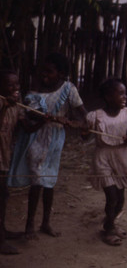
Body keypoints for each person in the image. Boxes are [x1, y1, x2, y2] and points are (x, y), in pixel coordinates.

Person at [8, 53, 87, 240]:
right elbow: (29, 115)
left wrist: (73, 123)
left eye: (49, 72)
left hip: (56, 139)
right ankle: (29, 226)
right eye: (42, 71)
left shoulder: (68, 89)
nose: (45, 75)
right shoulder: (35, 91)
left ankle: (45, 223)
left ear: (60, 73)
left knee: (50, 181)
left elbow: (83, 115)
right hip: (36, 137)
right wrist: (46, 118)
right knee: (37, 180)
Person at [83, 78, 127, 246]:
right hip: (103, 158)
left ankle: (110, 222)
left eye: (125, 93)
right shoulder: (95, 116)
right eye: (120, 93)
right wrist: (83, 130)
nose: (125, 96)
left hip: (122, 157)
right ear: (108, 96)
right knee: (111, 196)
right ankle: (108, 230)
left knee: (120, 198)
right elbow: (85, 136)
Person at [0, 70, 45, 254]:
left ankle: (1, 232)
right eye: (10, 85)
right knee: (1, 196)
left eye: (17, 84)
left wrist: (43, 121)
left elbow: (26, 128)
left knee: (3, 196)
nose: (15, 88)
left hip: (4, 155)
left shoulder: (16, 106)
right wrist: (5, 104)